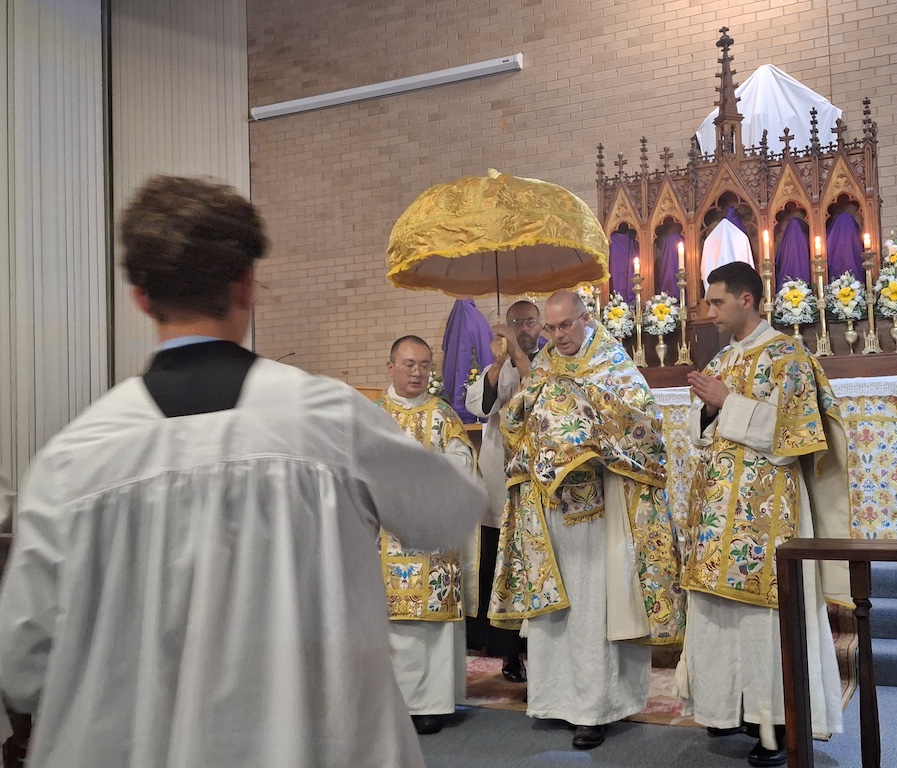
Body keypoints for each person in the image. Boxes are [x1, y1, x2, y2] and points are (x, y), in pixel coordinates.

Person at [0, 175, 488, 768]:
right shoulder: (331, 420)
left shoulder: (71, 461)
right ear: (247, 285)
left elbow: (23, 666)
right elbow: (450, 511)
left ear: (140, 298)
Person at [489, 290, 684, 750]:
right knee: (557, 607)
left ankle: (595, 709)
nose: (558, 336)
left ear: (586, 318)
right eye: (551, 328)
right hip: (550, 510)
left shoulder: (614, 365)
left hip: (602, 511)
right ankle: (554, 700)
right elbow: (520, 420)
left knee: (594, 607)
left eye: (566, 326)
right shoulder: (544, 364)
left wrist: (587, 422)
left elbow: (646, 427)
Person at [682, 262, 850, 768]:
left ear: (747, 300)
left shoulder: (789, 356)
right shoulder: (724, 358)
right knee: (719, 611)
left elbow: (796, 436)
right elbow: (699, 432)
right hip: (718, 513)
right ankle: (727, 709)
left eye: (717, 302)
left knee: (764, 620)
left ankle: (774, 723)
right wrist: (709, 411)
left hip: (767, 510)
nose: (709, 312)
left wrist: (727, 402)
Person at [377, 335, 478, 736]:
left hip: (433, 537)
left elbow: (463, 465)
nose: (417, 373)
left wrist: (431, 472)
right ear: (391, 368)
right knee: (390, 624)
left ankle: (432, 705)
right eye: (409, 364)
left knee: (432, 623)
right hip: (386, 536)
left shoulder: (443, 415)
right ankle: (392, 705)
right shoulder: (373, 416)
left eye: (424, 365)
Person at [464, 299, 543, 683]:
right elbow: (480, 408)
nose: (522, 329)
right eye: (515, 322)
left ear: (540, 325)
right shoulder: (496, 367)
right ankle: (508, 652)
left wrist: (517, 355)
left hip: (539, 480)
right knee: (503, 570)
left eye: (528, 322)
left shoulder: (550, 364)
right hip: (501, 480)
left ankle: (539, 651)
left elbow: (545, 395)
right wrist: (498, 363)